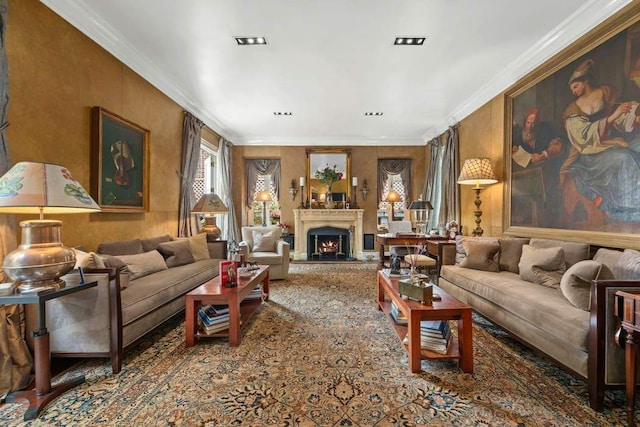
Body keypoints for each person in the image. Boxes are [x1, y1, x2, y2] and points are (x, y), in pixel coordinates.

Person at [561, 58, 640, 222]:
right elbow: (584, 138)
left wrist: (632, 113)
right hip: (591, 155)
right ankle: (628, 208)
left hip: (611, 144)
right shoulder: (572, 110)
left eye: (575, 86)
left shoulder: (606, 92)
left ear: (586, 81)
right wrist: (614, 121)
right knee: (625, 158)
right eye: (571, 88)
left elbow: (621, 116)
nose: (573, 91)